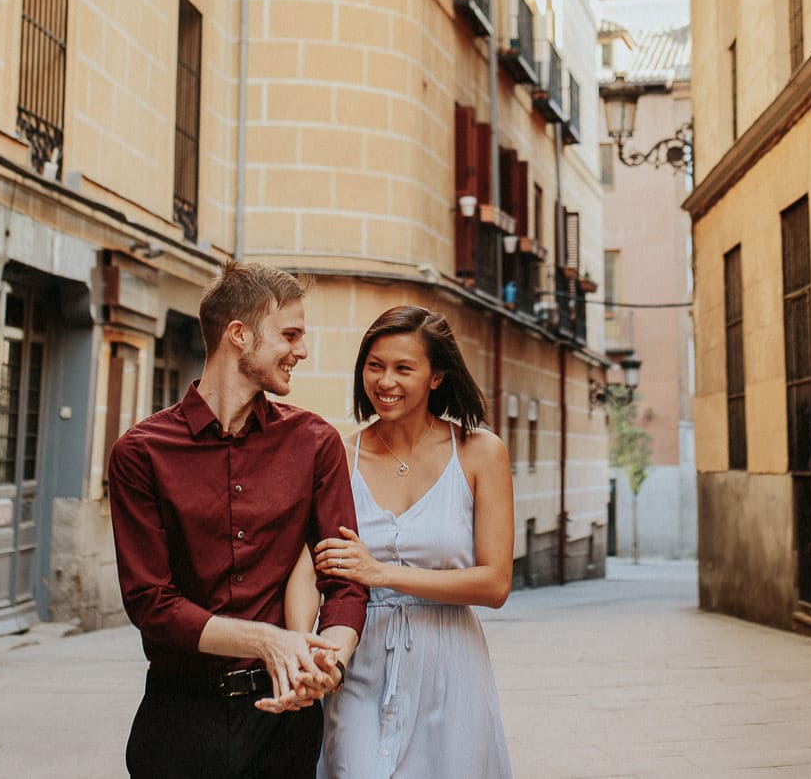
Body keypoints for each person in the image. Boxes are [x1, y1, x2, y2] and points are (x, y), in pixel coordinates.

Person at [108, 262, 367, 779]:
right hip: (179, 718)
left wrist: (328, 665)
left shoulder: (316, 443)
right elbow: (151, 603)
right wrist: (267, 640)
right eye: (290, 335)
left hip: (284, 724)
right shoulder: (140, 452)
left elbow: (343, 581)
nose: (302, 351)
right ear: (239, 335)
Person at [295, 305, 516, 779]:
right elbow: (312, 564)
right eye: (374, 366)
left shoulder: (480, 452)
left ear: (436, 376)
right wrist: (305, 648)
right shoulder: (339, 452)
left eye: (403, 368)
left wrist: (382, 573)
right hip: (359, 656)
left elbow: (495, 583)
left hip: (450, 661)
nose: (384, 381)